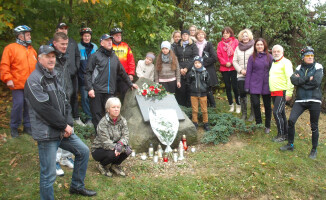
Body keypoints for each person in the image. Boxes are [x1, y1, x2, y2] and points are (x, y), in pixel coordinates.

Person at [24, 45, 96, 199]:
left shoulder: (55, 75)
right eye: (47, 56)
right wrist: (63, 125)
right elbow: (44, 110)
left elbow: (65, 102)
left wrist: (68, 123)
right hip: (46, 133)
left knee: (83, 151)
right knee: (48, 174)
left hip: (62, 129)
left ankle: (77, 186)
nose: (51, 59)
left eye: (53, 56)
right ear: (39, 58)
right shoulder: (34, 80)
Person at [85, 34, 138, 131]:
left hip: (110, 91)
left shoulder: (114, 57)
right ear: (102, 43)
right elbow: (88, 73)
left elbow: (122, 72)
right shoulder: (95, 56)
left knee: (110, 115)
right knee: (97, 114)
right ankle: (100, 138)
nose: (110, 42)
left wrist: (130, 84)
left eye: (110, 40)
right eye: (107, 40)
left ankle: (109, 137)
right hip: (97, 90)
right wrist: (90, 88)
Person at [280, 47, 323, 159]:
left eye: (312, 56)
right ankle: (290, 144)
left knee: (314, 126)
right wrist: (308, 78)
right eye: (308, 56)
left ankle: (314, 150)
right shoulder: (299, 67)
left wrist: (301, 82)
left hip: (314, 100)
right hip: (300, 100)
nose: (310, 58)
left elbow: (316, 82)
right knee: (291, 120)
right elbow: (293, 80)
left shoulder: (318, 67)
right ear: (303, 57)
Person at [0, 25, 37, 138]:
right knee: (18, 104)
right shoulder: (11, 48)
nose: (30, 35)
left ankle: (27, 126)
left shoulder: (32, 50)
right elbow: (4, 65)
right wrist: (8, 79)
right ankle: (14, 127)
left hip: (30, 85)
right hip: (17, 84)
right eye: (27, 34)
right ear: (21, 36)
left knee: (29, 106)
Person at [48, 22, 83, 126]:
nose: (64, 30)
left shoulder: (72, 42)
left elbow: (77, 56)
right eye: (61, 28)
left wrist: (76, 67)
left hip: (71, 73)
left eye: (65, 28)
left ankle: (74, 117)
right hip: (56, 88)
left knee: (73, 95)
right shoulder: (50, 47)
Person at [52, 32, 75, 176]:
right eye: (62, 44)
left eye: (66, 44)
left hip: (67, 98)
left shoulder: (64, 58)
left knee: (70, 126)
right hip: (55, 100)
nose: (65, 46)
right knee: (56, 130)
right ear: (55, 43)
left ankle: (66, 157)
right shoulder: (51, 58)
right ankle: (54, 160)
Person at [91, 97, 132, 177]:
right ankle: (102, 165)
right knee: (113, 154)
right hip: (99, 149)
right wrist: (117, 148)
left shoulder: (122, 120)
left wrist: (120, 144)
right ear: (108, 109)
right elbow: (105, 142)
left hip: (116, 146)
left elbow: (126, 135)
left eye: (118, 107)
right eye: (113, 107)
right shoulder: (103, 122)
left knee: (128, 150)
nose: (116, 109)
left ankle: (115, 165)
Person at [245, 38, 273, 133]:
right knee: (256, 104)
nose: (259, 46)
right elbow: (248, 72)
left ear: (264, 46)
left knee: (267, 105)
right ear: (255, 46)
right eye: (258, 45)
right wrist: (247, 86)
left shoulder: (270, 57)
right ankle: (259, 123)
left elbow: (273, 71)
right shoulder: (252, 57)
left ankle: (267, 125)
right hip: (254, 84)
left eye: (261, 44)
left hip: (266, 84)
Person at [269, 44, 294, 142]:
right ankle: (286, 133)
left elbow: (290, 78)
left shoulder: (286, 62)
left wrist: (289, 93)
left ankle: (281, 135)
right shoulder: (273, 62)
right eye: (274, 51)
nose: (276, 53)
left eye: (278, 51)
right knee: (282, 113)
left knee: (276, 112)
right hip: (274, 92)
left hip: (282, 91)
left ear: (282, 52)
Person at [77, 27, 98, 126]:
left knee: (94, 98)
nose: (87, 38)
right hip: (82, 77)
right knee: (85, 98)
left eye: (88, 36)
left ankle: (95, 117)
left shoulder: (95, 47)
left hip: (94, 77)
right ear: (82, 36)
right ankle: (88, 118)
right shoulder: (78, 47)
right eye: (85, 36)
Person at [217, 27, 240, 112]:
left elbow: (237, 53)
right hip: (224, 68)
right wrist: (225, 63)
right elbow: (219, 55)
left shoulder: (235, 42)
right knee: (227, 87)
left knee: (235, 87)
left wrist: (231, 62)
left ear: (230, 33)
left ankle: (238, 104)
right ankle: (231, 105)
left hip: (234, 67)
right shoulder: (220, 44)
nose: (225, 34)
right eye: (224, 33)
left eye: (227, 33)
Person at [110, 27, 136, 103]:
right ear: (112, 36)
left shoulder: (125, 46)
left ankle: (125, 112)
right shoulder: (109, 46)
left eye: (120, 35)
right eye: (117, 35)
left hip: (124, 74)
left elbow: (131, 60)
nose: (119, 36)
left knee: (125, 93)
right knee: (112, 95)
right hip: (112, 75)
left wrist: (131, 73)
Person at [233, 29, 255, 116]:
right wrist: (240, 70)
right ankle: (244, 114)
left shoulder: (254, 46)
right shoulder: (237, 48)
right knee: (242, 93)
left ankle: (252, 114)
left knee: (253, 94)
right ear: (240, 38)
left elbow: (257, 60)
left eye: (246, 36)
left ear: (249, 37)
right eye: (243, 36)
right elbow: (234, 61)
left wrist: (249, 71)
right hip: (241, 74)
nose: (245, 37)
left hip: (252, 74)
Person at [174, 29, 198, 107]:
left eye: (186, 34)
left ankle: (189, 107)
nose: (185, 36)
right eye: (183, 34)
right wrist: (180, 68)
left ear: (189, 36)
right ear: (181, 36)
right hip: (179, 68)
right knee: (180, 88)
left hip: (190, 69)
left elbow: (195, 57)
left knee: (190, 88)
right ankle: (181, 106)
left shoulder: (193, 45)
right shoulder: (177, 46)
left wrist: (187, 68)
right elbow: (175, 58)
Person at [195, 29, 218, 107]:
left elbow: (214, 58)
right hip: (197, 70)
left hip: (208, 69)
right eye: (198, 34)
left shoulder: (208, 44)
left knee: (208, 88)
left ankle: (213, 106)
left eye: (202, 34)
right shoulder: (194, 45)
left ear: (204, 35)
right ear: (196, 36)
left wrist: (203, 63)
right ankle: (205, 106)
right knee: (201, 88)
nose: (200, 36)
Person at [187, 56, 210, 131]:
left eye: (199, 63)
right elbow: (188, 82)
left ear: (201, 63)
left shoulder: (205, 72)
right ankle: (195, 123)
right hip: (193, 94)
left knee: (204, 110)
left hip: (203, 94)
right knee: (195, 110)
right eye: (195, 63)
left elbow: (208, 82)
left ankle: (206, 123)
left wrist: (206, 89)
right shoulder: (191, 72)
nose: (197, 64)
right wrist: (191, 88)